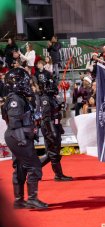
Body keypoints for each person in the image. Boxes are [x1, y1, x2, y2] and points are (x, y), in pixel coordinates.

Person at [1, 68, 48, 209]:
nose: (27, 85)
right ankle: (32, 199)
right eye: (25, 82)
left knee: (20, 167)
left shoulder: (17, 98)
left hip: (17, 136)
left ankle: (19, 200)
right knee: (34, 166)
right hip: (18, 136)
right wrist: (24, 138)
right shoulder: (15, 99)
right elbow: (15, 123)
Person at [37, 74, 73, 181]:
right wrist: (52, 132)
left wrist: (61, 106)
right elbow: (47, 117)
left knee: (53, 153)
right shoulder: (45, 99)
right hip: (50, 127)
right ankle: (35, 169)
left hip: (55, 126)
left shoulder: (51, 98)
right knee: (52, 153)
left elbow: (55, 113)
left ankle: (35, 170)